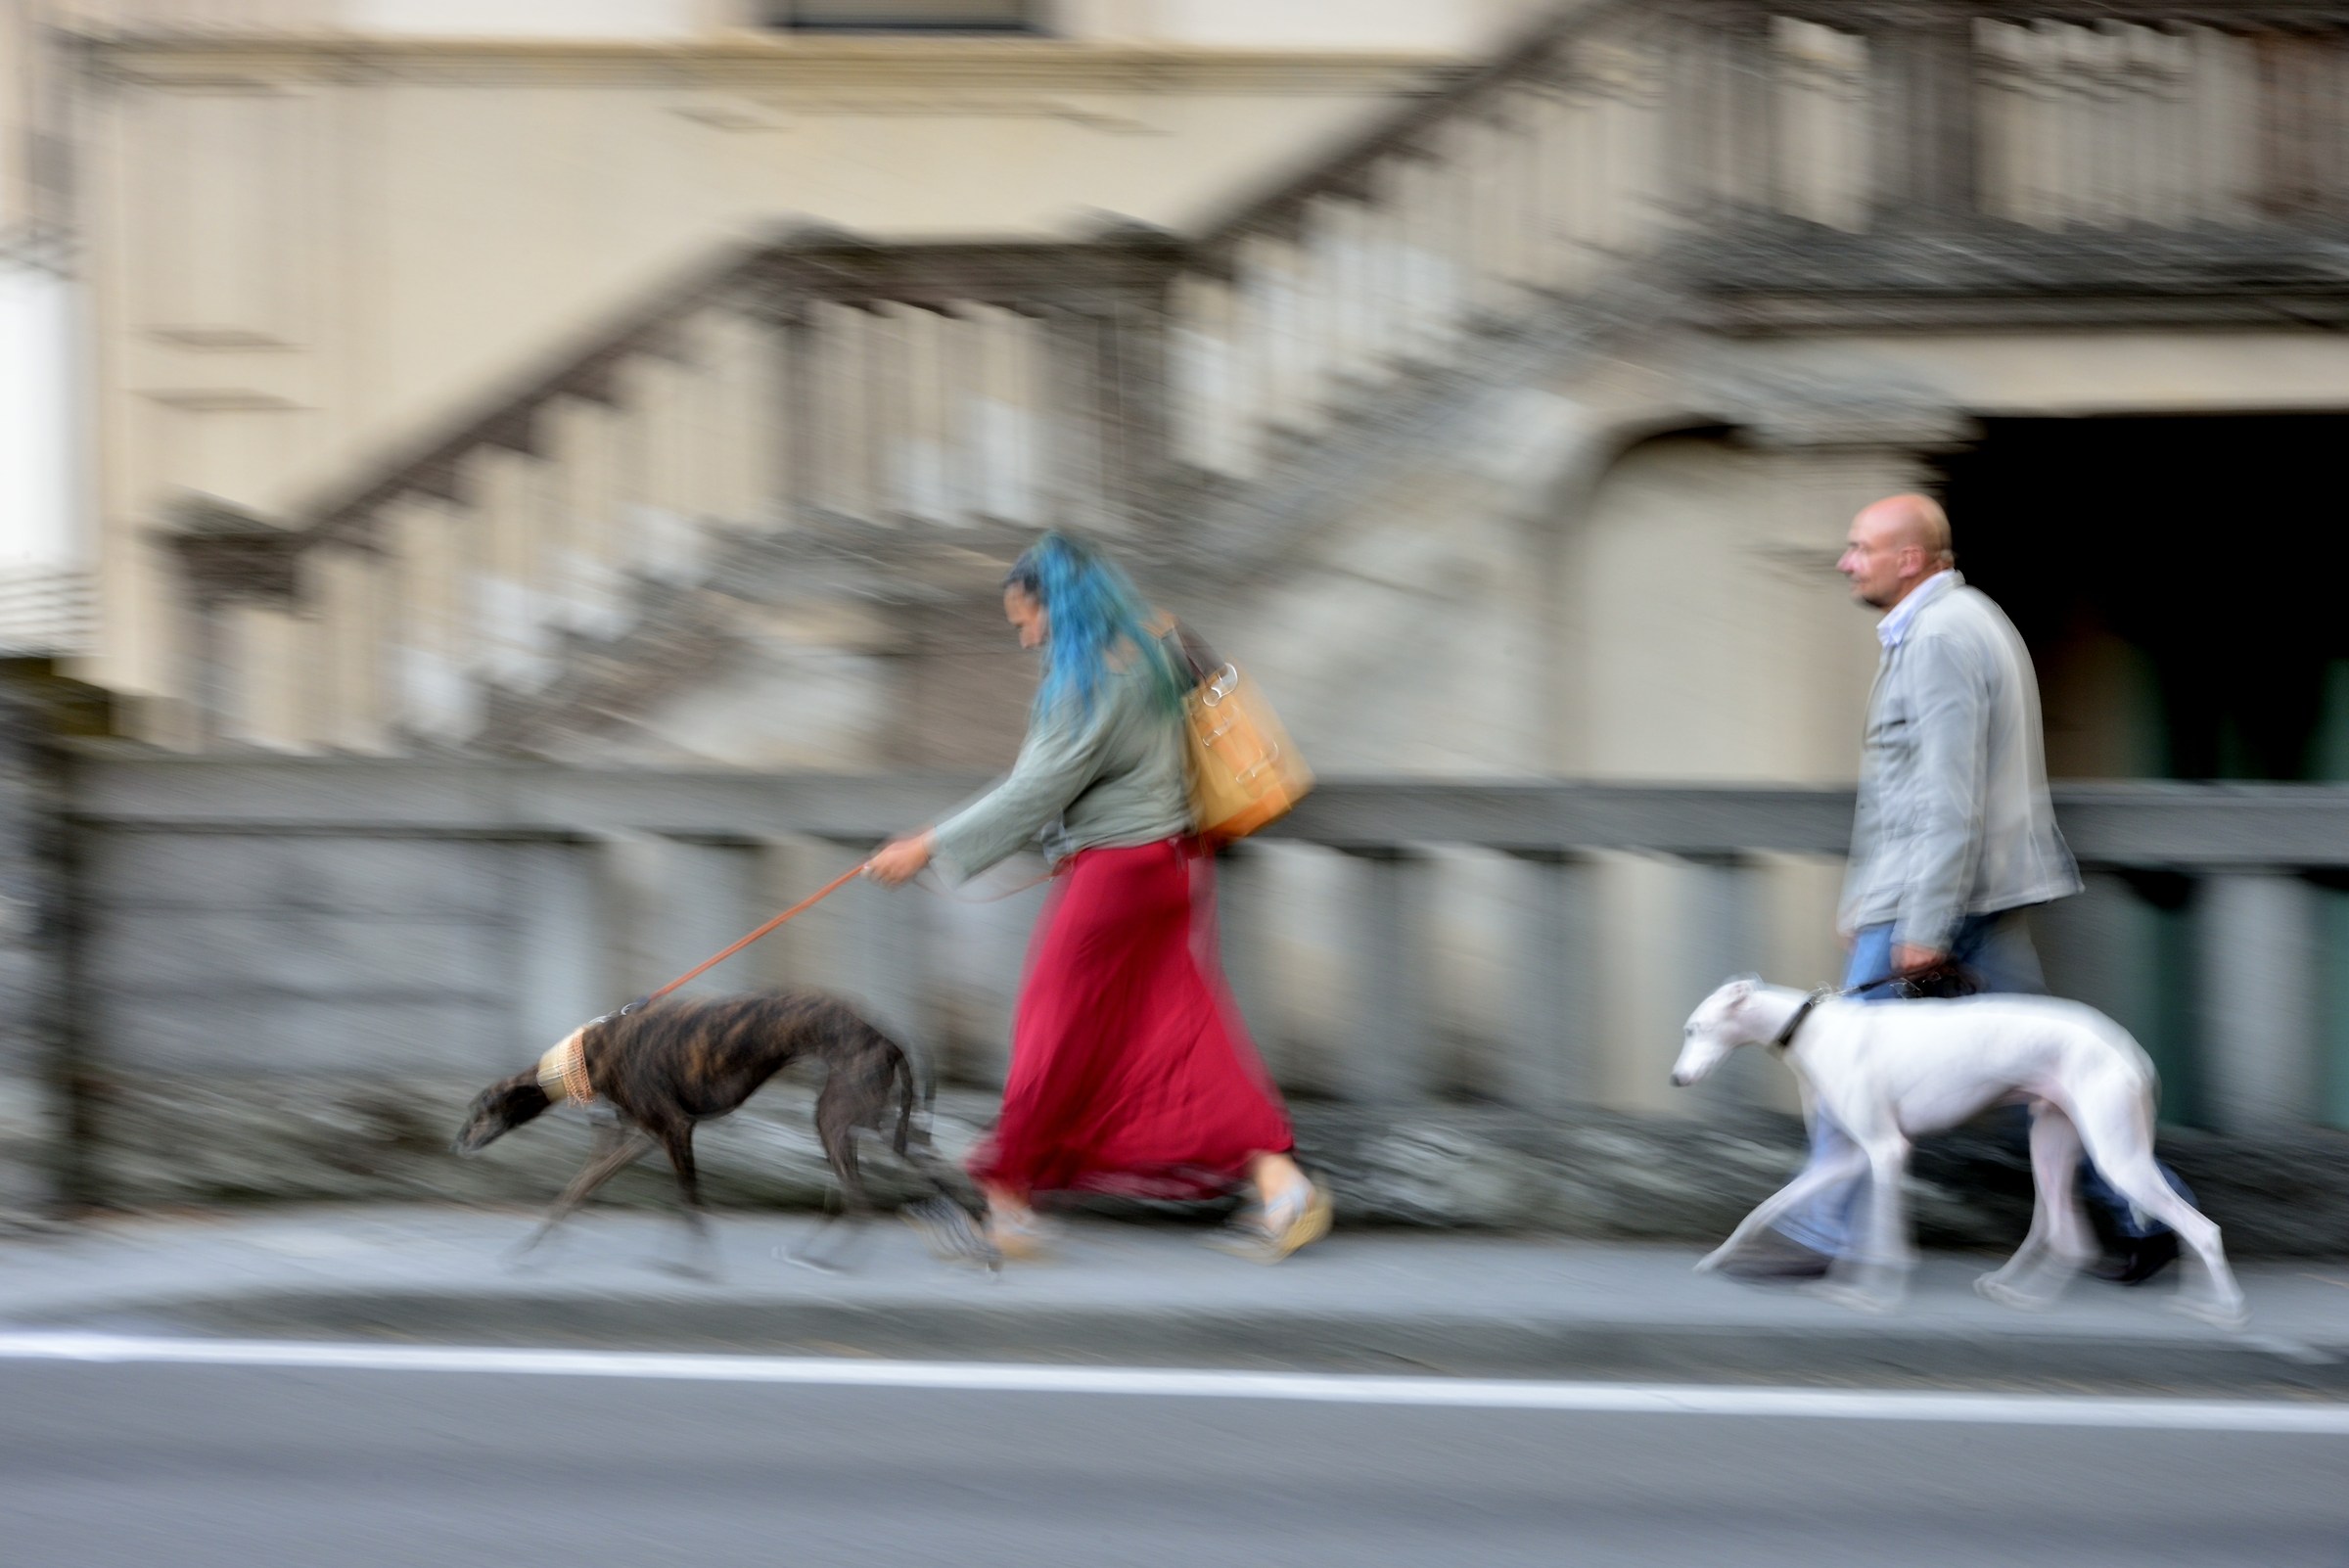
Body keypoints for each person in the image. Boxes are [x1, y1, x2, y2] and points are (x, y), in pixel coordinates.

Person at [1725, 493, 2181, 1284]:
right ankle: (2146, 1211)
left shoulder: (1939, 638)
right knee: (2050, 1064)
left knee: (1845, 1064)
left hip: (1942, 897)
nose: (1845, 560)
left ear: (1911, 559)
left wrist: (1917, 919)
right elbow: (1917, 790)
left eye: (1861, 547)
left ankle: (1822, 1230)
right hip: (1971, 888)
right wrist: (1870, 893)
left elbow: (1946, 797)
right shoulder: (1960, 621)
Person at [864, 531, 1329, 1263]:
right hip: (1174, 868)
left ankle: (1008, 1204)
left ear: (1060, 606)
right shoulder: (1152, 647)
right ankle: (1282, 1184)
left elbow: (1038, 788)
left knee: (1052, 1033)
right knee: (1183, 1032)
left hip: (1115, 878)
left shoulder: (1088, 680)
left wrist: (928, 845)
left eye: (1027, 620)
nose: (1025, 638)